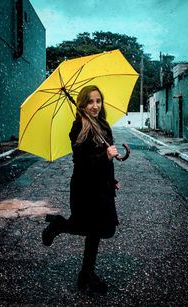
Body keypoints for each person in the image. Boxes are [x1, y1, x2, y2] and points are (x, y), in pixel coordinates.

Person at [42, 85, 121, 294]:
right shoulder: (79, 128)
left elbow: (106, 163)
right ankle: (59, 225)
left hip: (102, 187)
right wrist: (105, 156)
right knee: (96, 229)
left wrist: (112, 180)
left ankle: (86, 273)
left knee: (101, 230)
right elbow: (82, 163)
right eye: (91, 102)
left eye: (98, 101)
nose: (95, 106)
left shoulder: (102, 124)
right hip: (86, 189)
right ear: (82, 104)